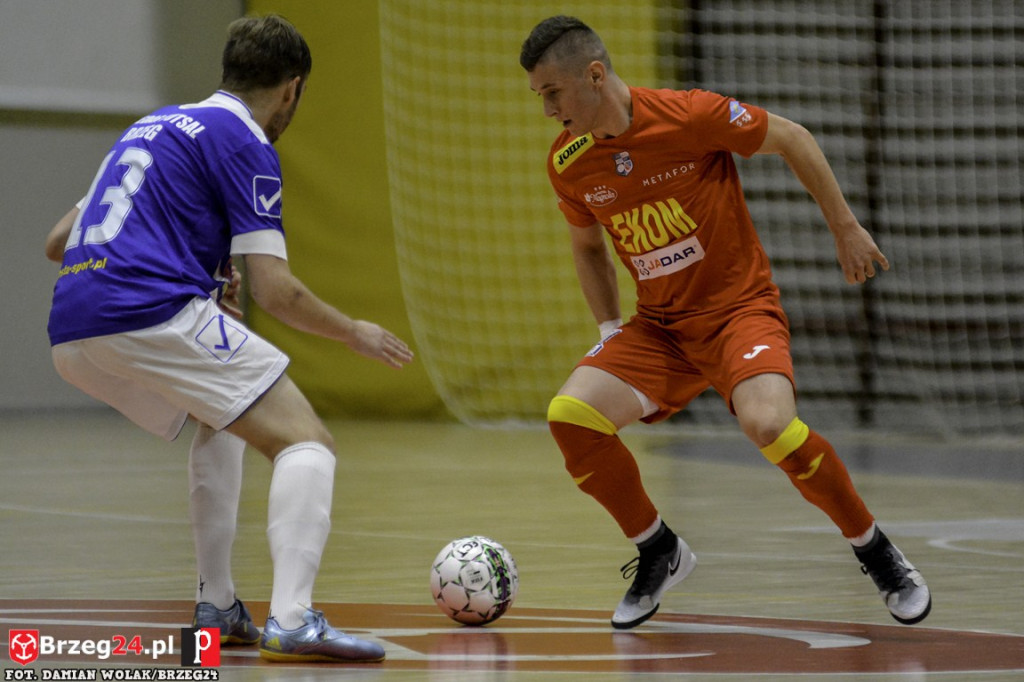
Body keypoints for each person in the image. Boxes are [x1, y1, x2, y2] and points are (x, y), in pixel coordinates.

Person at [519, 16, 931, 630]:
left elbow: (793, 137)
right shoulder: (569, 161)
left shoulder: (689, 115)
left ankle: (876, 551)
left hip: (737, 312)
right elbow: (587, 248)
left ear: (595, 76)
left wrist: (845, 226)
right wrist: (610, 332)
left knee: (768, 424)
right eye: (540, 97)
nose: (548, 109)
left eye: (553, 92)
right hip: (659, 328)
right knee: (572, 417)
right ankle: (658, 548)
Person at [44, 14, 413, 663]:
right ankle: (295, 620)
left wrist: (199, 273)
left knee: (227, 415)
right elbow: (276, 292)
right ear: (291, 89)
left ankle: (217, 604)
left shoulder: (151, 126)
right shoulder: (245, 141)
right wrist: (353, 331)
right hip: (146, 308)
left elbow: (57, 242)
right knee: (305, 440)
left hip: (73, 329)